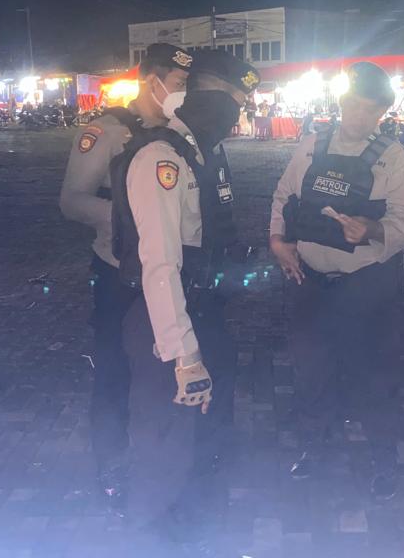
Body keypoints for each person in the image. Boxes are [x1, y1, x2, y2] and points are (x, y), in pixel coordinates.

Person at [111, 50, 260, 546]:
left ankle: (192, 533)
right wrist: (183, 354)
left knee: (199, 442)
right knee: (164, 449)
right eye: (230, 98)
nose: (237, 110)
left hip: (200, 311)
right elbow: (159, 264)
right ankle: (151, 537)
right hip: (167, 323)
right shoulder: (162, 157)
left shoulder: (199, 152)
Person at [269, 61, 404, 500]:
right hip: (310, 280)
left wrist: (372, 229)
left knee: (374, 374)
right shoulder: (311, 145)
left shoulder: (393, 156)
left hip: (365, 285)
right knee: (311, 370)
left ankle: (383, 459)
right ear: (341, 102)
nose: (359, 116)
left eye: (370, 109)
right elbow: (283, 197)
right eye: (353, 104)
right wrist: (278, 240)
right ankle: (314, 446)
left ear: (382, 113)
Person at [58, 42, 191, 501]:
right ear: (152, 81)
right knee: (115, 369)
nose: (183, 92)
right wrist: (127, 219)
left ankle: (160, 458)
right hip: (119, 272)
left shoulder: (178, 132)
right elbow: (71, 200)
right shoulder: (106, 131)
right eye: (177, 83)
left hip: (169, 272)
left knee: (164, 366)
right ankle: (111, 463)